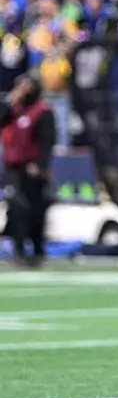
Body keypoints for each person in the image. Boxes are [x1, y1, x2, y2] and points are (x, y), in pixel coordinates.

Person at [0, 75, 56, 267]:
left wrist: (40, 164)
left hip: (32, 168)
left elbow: (48, 141)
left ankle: (37, 250)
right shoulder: (13, 111)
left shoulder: (42, 111)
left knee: (35, 211)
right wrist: (9, 102)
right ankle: (19, 249)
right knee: (16, 208)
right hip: (13, 168)